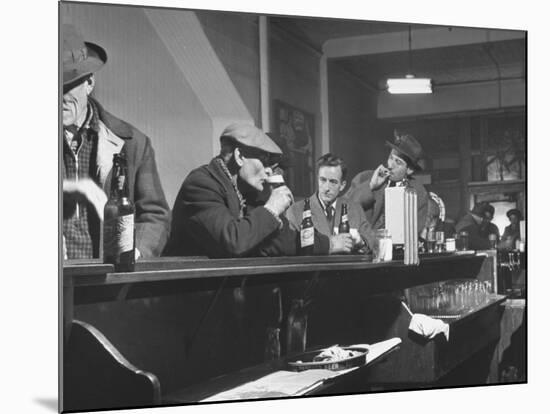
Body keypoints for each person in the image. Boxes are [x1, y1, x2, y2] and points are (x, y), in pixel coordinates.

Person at [62, 24, 170, 260]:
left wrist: (133, 253)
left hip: (107, 283)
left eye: (67, 85)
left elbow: (155, 215)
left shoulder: (133, 143)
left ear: (89, 83)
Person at [164, 123, 350, 258]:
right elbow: (234, 242)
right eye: (264, 160)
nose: (269, 170)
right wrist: (271, 209)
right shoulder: (201, 184)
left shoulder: (247, 191)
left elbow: (282, 240)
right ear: (239, 156)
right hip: (186, 298)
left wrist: (329, 244)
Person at [286, 153, 373, 251]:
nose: (326, 188)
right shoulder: (296, 211)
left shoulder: (355, 209)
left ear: (342, 185)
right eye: (323, 180)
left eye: (333, 182)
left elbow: (373, 243)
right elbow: (291, 250)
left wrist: (361, 241)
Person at [345, 133, 429, 234]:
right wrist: (371, 185)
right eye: (390, 158)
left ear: (409, 170)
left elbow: (414, 231)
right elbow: (344, 207)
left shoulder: (418, 192)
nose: (390, 165)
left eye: (398, 162)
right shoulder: (364, 178)